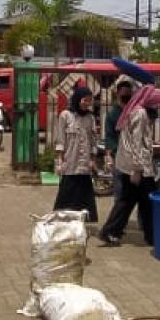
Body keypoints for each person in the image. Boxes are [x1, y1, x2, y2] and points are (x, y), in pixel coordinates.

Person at [98, 84, 160, 247]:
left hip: (133, 165)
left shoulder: (136, 111)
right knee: (142, 201)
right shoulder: (140, 113)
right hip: (136, 167)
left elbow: (140, 140)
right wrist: (137, 169)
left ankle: (112, 231)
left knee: (132, 201)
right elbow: (136, 143)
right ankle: (149, 236)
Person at [52, 85, 99, 223]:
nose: (87, 103)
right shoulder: (65, 115)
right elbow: (60, 140)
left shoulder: (90, 117)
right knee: (66, 194)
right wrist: (59, 161)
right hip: (70, 163)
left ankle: (81, 223)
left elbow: (93, 140)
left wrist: (92, 159)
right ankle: (62, 222)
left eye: (90, 101)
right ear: (78, 99)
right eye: (85, 100)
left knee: (84, 196)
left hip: (84, 165)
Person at [103, 80, 134, 198]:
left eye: (128, 93)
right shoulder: (113, 114)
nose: (126, 96)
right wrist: (109, 155)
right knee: (119, 188)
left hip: (134, 155)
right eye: (124, 93)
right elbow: (109, 135)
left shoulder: (135, 111)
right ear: (118, 94)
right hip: (119, 155)